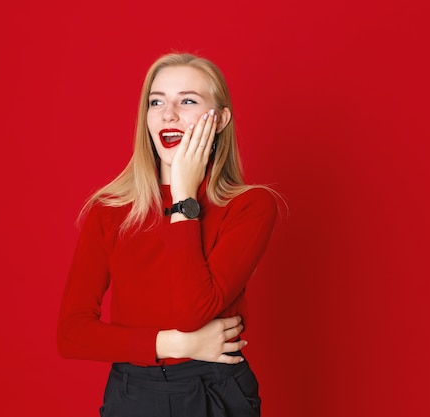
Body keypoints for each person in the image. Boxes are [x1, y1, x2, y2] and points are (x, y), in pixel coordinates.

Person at [57, 52, 278, 417]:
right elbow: (71, 333)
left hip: (214, 389)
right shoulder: (110, 209)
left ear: (221, 119)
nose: (168, 114)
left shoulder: (251, 206)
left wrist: (183, 199)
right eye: (156, 101)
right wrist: (175, 342)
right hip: (132, 393)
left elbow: (194, 311)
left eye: (187, 100)